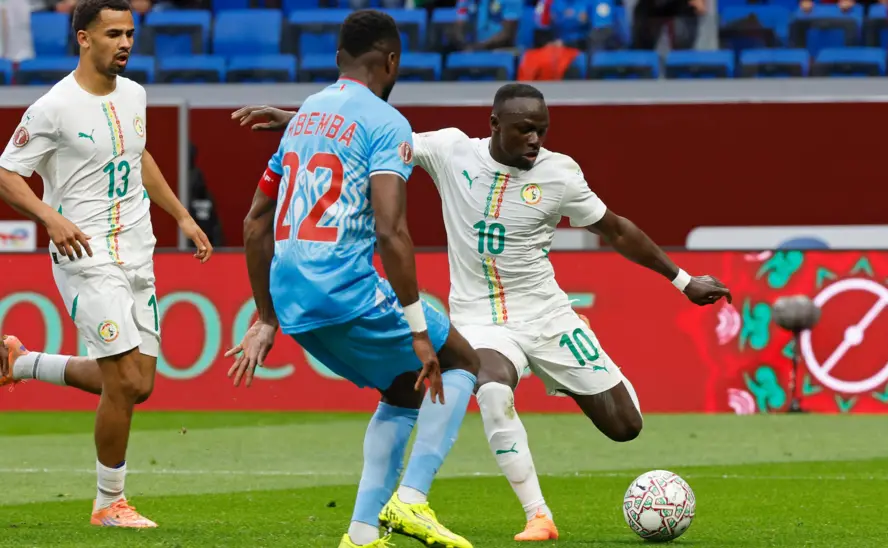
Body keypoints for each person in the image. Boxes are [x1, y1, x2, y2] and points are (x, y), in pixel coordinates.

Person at [232, 83, 733, 543]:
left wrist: (684, 281)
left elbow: (617, 229)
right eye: (524, 129)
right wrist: (298, 119)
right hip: (479, 320)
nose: (535, 140)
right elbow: (373, 134)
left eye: (542, 130)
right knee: (489, 385)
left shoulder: (560, 174)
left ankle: (573, 359)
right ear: (494, 124)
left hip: (548, 315)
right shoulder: (451, 150)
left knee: (626, 426)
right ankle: (538, 516)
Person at [224, 11, 481, 548]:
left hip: (292, 303)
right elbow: (391, 230)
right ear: (392, 61)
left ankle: (362, 535)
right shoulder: (389, 123)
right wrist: (418, 329)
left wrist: (266, 317)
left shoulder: (305, 116)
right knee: (460, 361)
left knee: (402, 388)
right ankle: (412, 500)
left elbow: (254, 222)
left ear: (339, 58)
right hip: (344, 289)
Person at [0, 0, 213, 528]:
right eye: (113, 34)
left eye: (130, 34)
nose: (125, 43)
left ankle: (21, 363)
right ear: (83, 38)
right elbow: (6, 173)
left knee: (140, 384)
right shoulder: (53, 107)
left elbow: (138, 157)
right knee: (122, 381)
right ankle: (108, 503)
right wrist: (50, 217)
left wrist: (182, 216)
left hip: (138, 248)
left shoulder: (135, 94)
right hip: (86, 254)